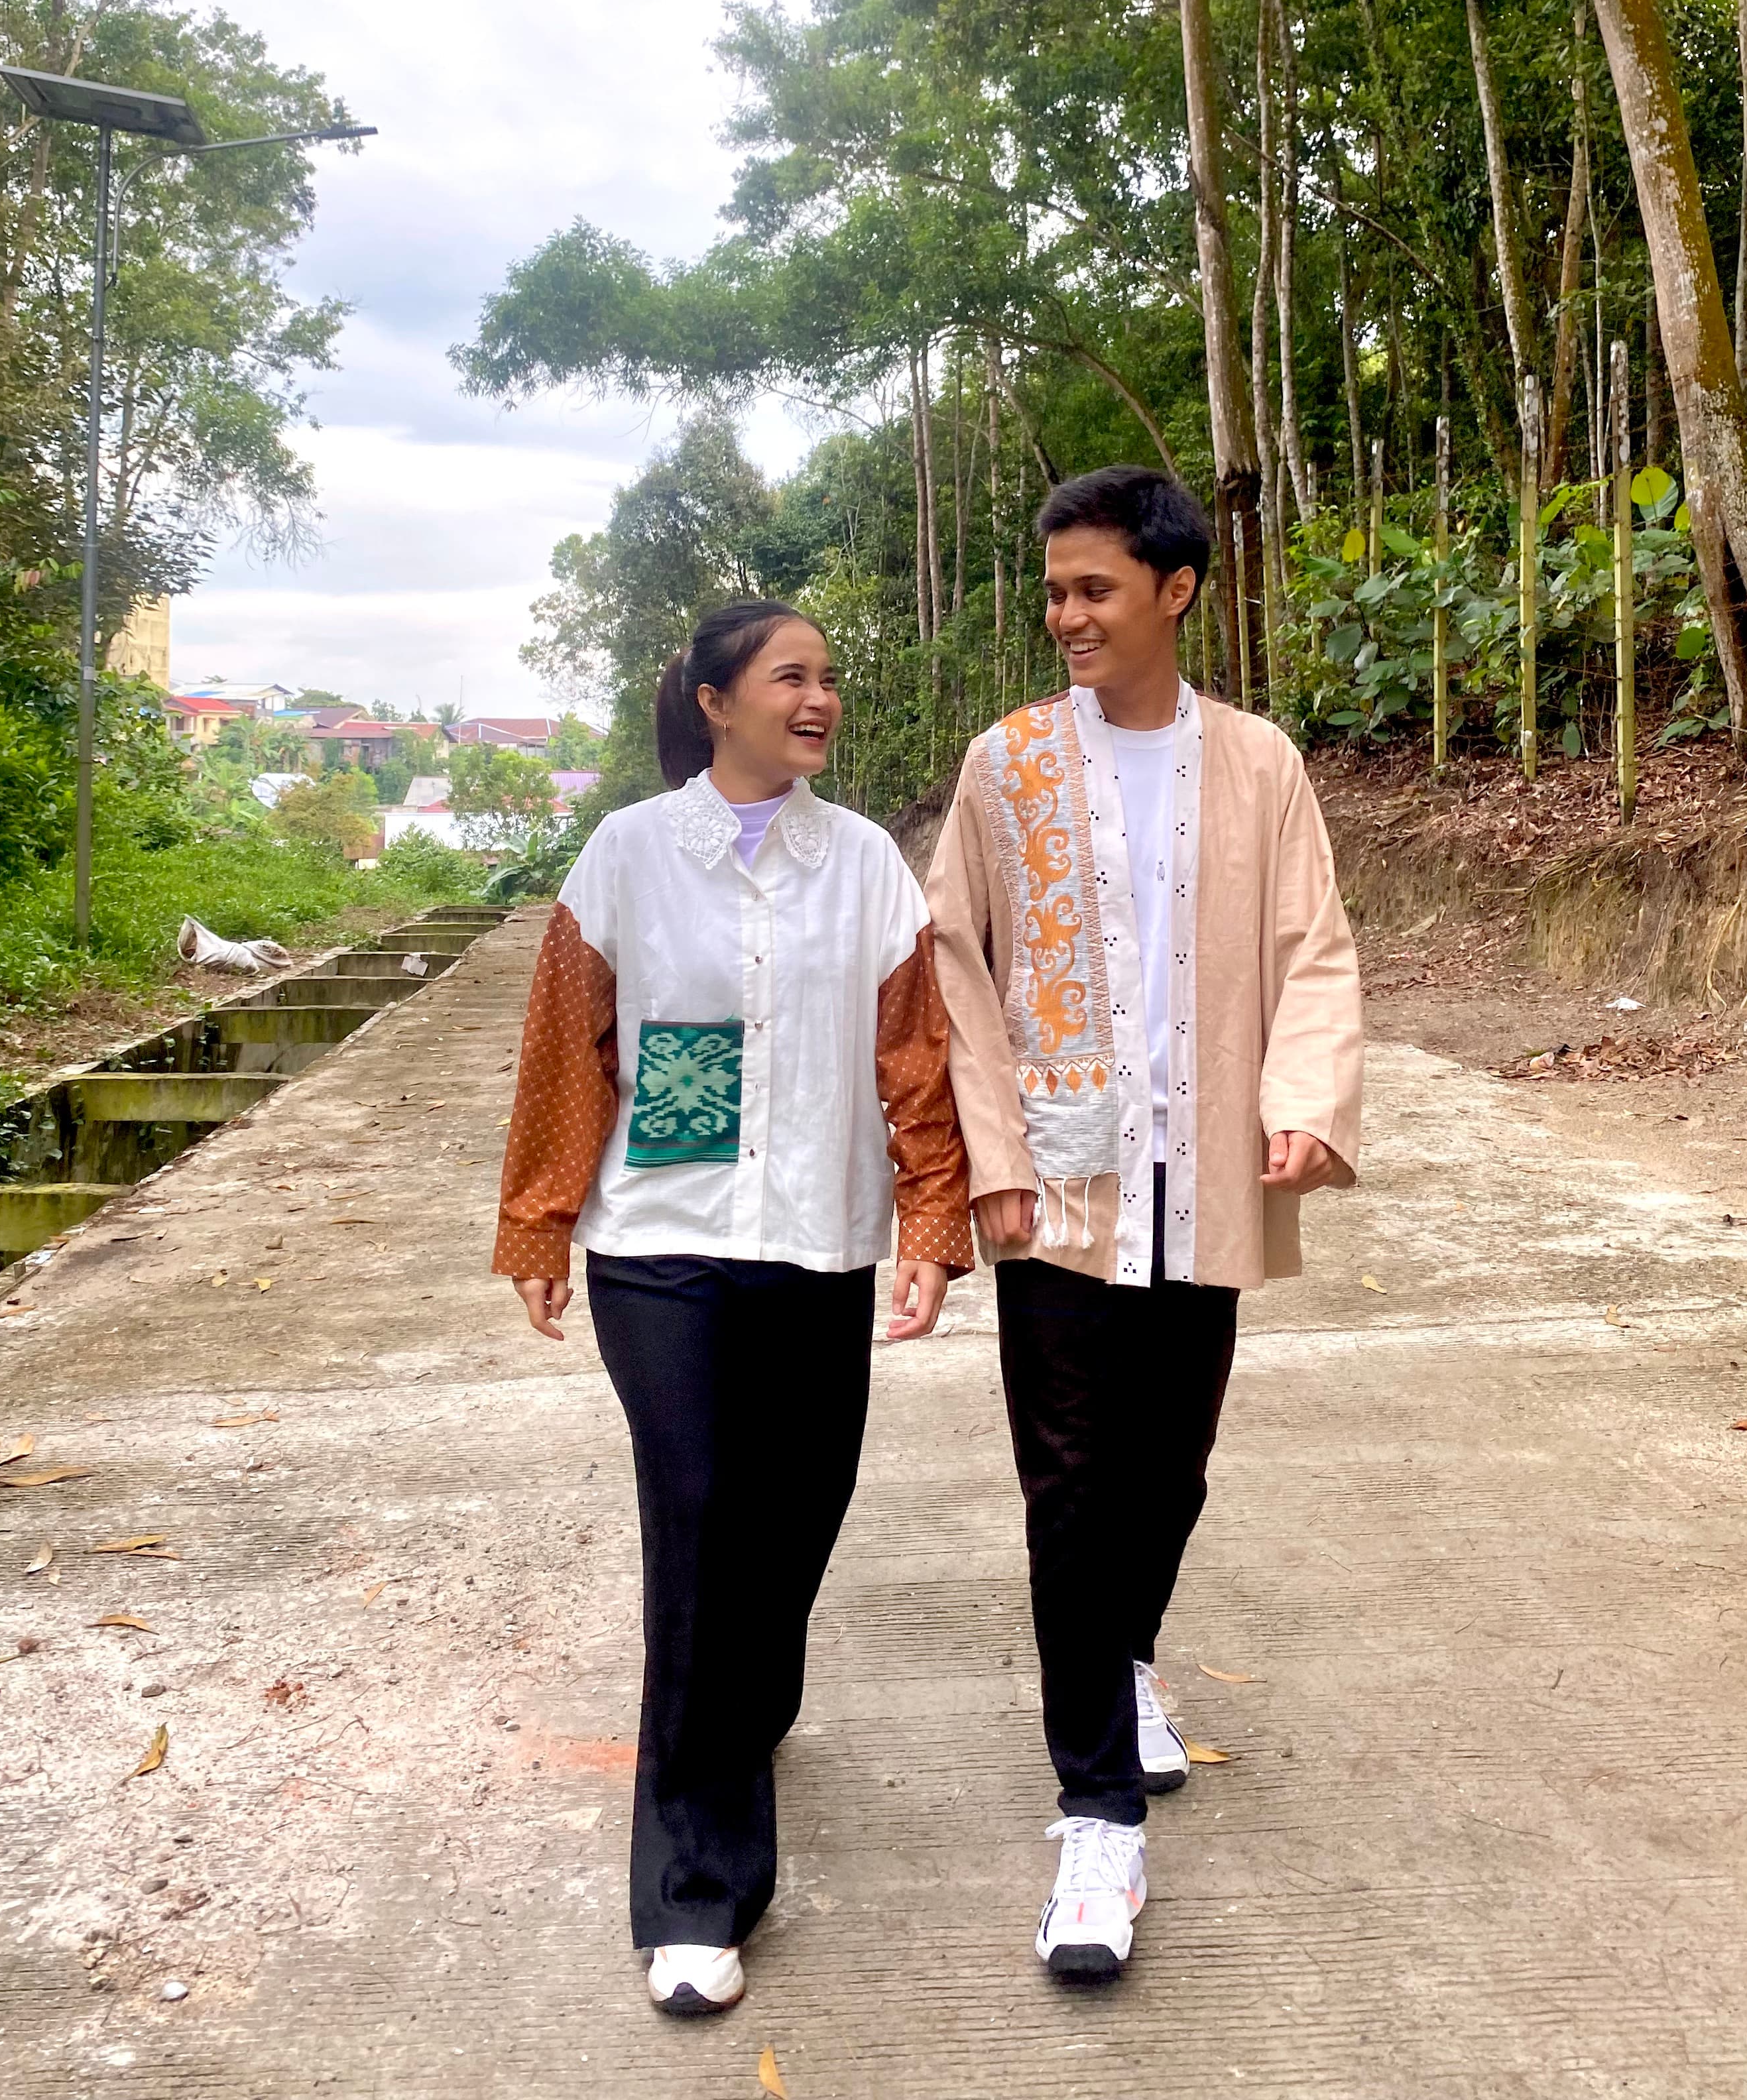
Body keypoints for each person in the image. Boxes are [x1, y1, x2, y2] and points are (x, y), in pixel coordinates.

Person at [494, 599, 971, 2017]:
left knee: (798, 1510)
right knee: (700, 1514)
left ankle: (742, 1711)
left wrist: (933, 1222)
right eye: (791, 676)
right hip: (664, 1246)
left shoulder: (870, 865)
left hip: (818, 1243)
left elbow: (916, 1059)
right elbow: (568, 1047)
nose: (819, 697)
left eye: (830, 676)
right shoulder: (634, 856)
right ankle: (697, 1887)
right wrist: (538, 1219)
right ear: (714, 700)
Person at [926, 467, 1362, 1985]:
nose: (1067, 618)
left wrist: (1305, 1094)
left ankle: (1122, 1660)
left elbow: (1313, 946)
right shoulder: (1007, 766)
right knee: (1067, 1489)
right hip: (1058, 1185)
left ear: (1176, 591)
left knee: (1170, 1468)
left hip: (1206, 1175)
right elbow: (953, 966)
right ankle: (1098, 1823)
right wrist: (986, 1150)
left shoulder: (1255, 764)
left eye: (1094, 589)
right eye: (1054, 591)